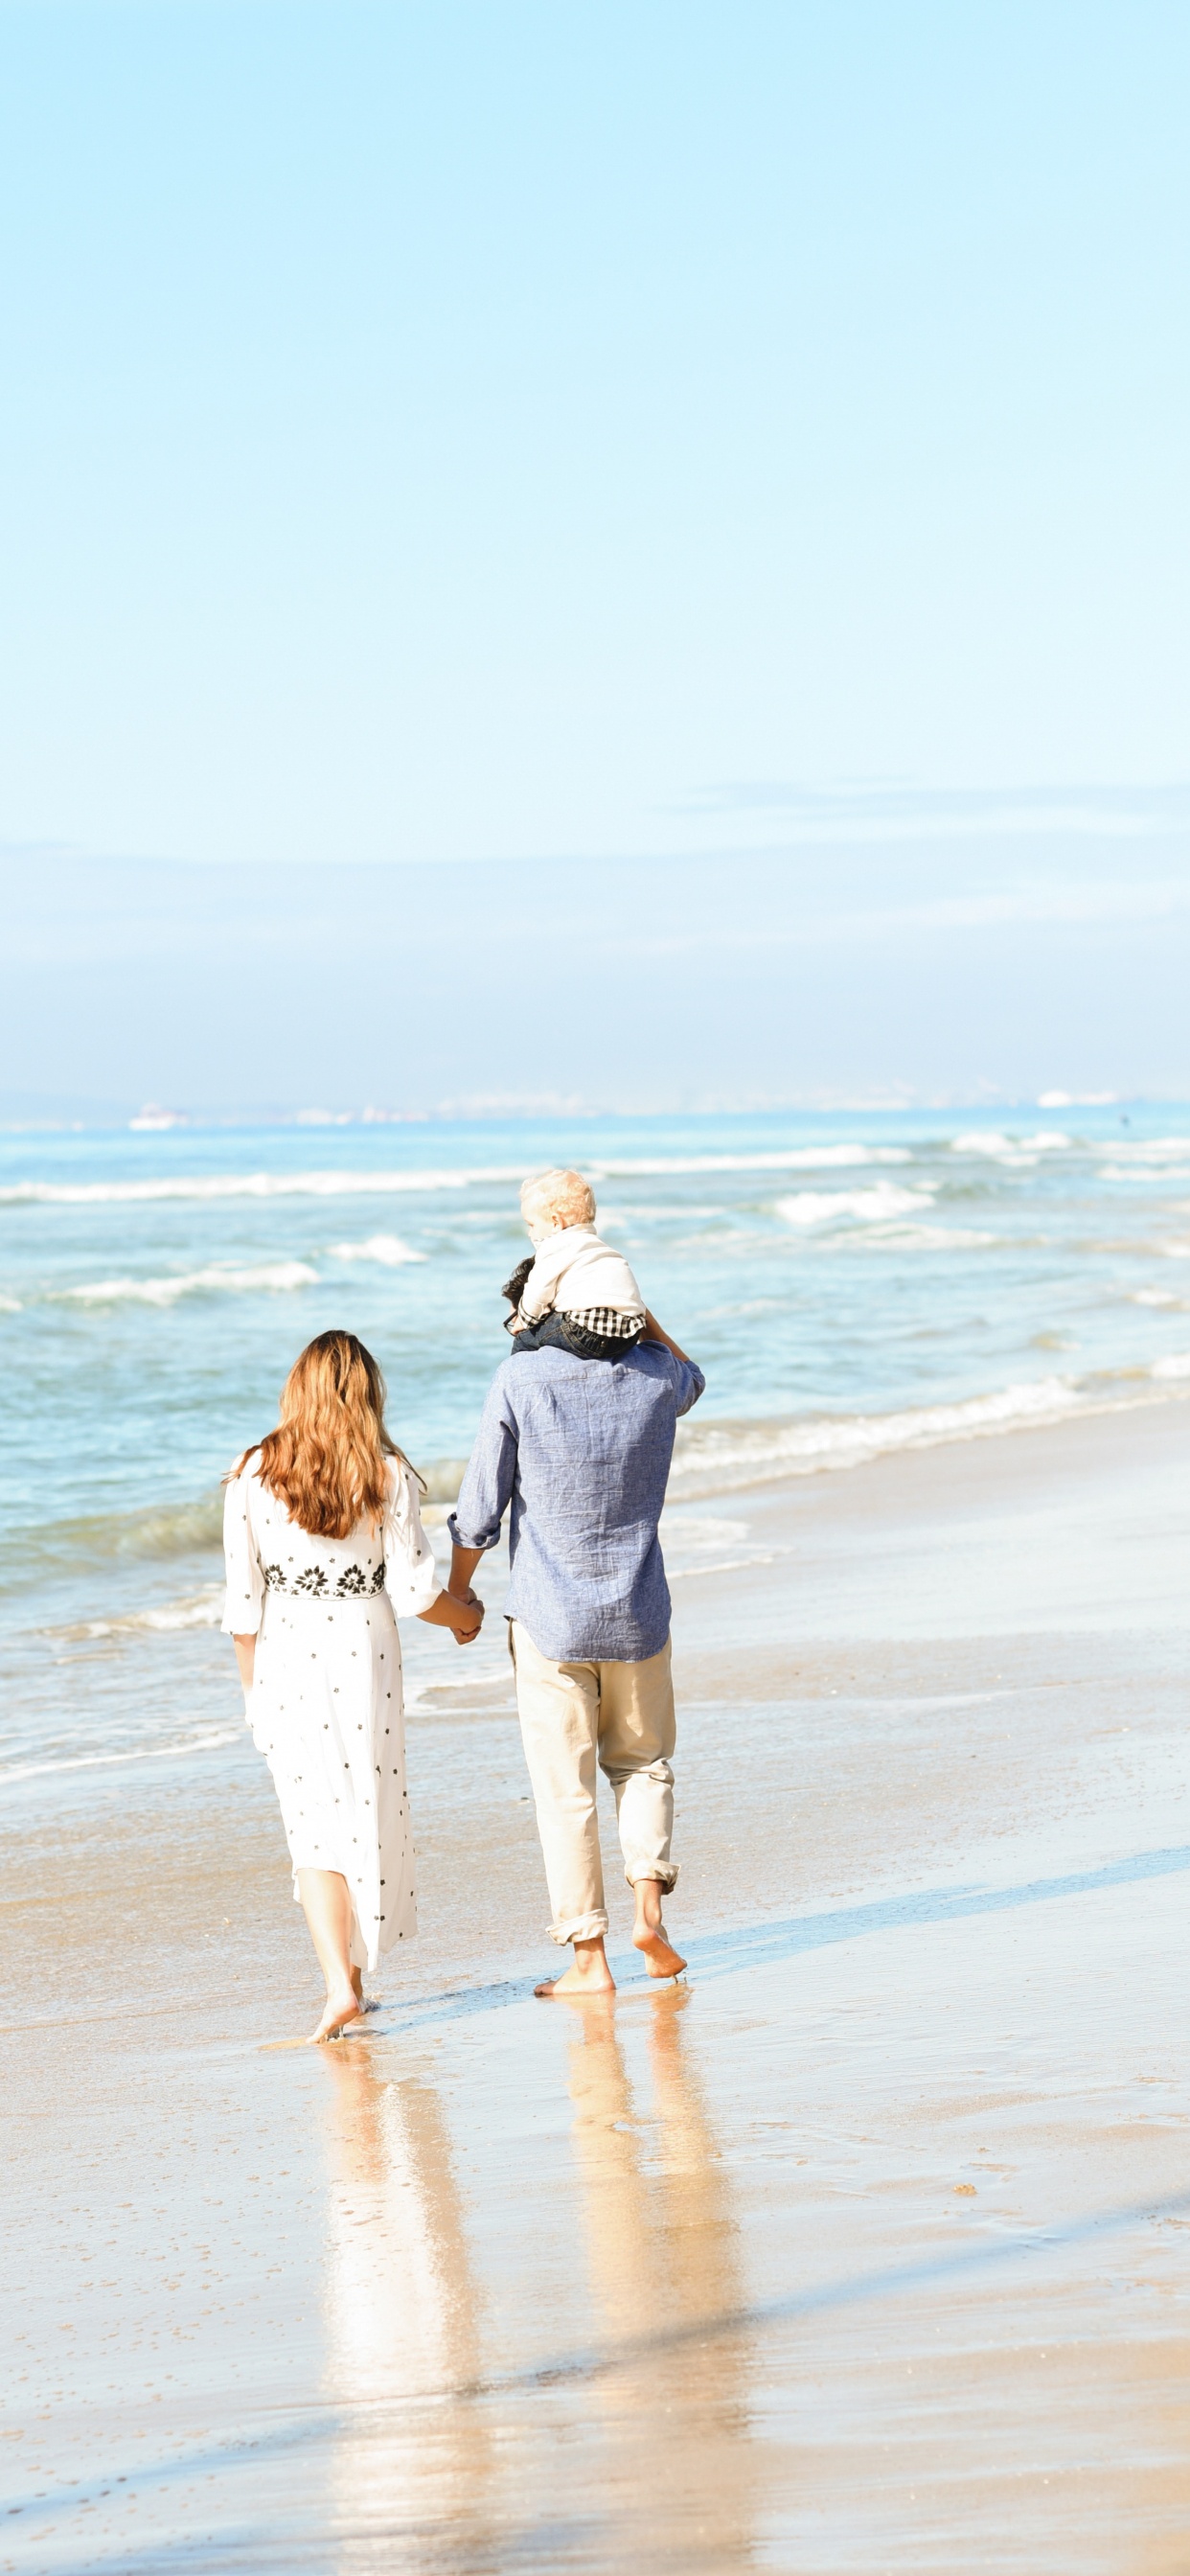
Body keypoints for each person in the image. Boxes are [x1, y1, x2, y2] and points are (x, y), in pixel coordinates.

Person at [446, 1176, 705, 1996]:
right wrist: (643, 1314)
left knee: (566, 1792)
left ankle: (588, 1960)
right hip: (638, 1611)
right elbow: (693, 1372)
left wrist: (460, 1600)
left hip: (550, 1620)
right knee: (644, 1764)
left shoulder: (521, 1380)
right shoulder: (657, 1378)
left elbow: (479, 1512)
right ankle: (650, 1916)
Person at [222, 1330, 484, 2042]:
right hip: (362, 1649)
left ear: (296, 1389)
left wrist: (253, 1700)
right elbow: (415, 1594)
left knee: (311, 1826)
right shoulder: (388, 1472)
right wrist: (468, 1618)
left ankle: (342, 1986)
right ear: (367, 1392)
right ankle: (351, 1983)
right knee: (364, 1807)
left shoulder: (250, 1472)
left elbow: (243, 1610)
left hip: (285, 1654)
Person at [502, 1167, 647, 1361]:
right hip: (628, 1335)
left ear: (555, 1222)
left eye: (532, 1225)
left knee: (525, 1340)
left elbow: (538, 1292)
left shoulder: (554, 1246)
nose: (530, 1233)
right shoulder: (601, 1249)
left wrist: (524, 1320)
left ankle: (521, 1375)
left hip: (586, 1330)